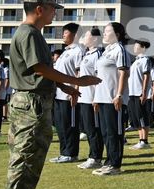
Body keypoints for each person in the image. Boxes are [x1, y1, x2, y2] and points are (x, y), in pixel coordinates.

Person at [5, 0, 100, 189]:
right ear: (39, 9)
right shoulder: (29, 33)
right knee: (25, 157)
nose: (54, 13)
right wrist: (76, 81)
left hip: (33, 100)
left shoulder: (32, 33)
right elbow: (39, 68)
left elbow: (39, 70)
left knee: (31, 156)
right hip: (31, 103)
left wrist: (64, 87)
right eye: (52, 8)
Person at [92, 22, 130, 176]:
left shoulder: (120, 50)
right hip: (102, 98)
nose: (104, 34)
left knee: (115, 132)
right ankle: (108, 162)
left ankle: (115, 165)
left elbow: (124, 73)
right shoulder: (106, 51)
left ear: (117, 34)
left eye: (107, 31)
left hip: (113, 99)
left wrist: (119, 95)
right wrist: (96, 97)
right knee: (106, 132)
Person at [49, 23, 85, 164]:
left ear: (75, 35)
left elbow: (79, 73)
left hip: (69, 94)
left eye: (66, 32)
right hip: (59, 94)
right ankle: (64, 152)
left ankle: (71, 153)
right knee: (60, 125)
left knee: (70, 125)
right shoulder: (65, 51)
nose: (63, 35)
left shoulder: (78, 51)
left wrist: (75, 92)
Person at [76, 28, 104, 170]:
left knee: (94, 129)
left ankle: (96, 158)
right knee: (88, 129)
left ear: (94, 39)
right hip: (83, 97)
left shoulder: (98, 54)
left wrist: (96, 98)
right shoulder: (87, 53)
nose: (83, 39)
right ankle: (92, 156)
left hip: (92, 98)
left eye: (86, 36)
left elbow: (100, 77)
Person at [127, 39, 153, 150]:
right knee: (137, 117)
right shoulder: (135, 61)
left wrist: (144, 93)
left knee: (142, 117)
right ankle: (140, 140)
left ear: (143, 47)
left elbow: (146, 76)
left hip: (139, 93)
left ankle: (145, 141)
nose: (134, 47)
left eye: (136, 46)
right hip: (132, 93)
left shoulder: (145, 59)